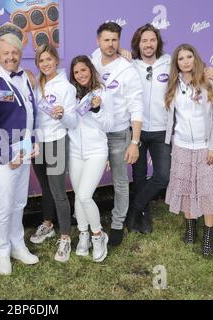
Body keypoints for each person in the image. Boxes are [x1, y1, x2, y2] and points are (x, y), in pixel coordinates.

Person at [164, 44, 213, 256]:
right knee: (185, 187)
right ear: (176, 63)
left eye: (189, 57)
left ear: (196, 59)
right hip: (182, 146)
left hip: (205, 147)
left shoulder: (210, 81)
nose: (185, 61)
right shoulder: (173, 85)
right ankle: (190, 227)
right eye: (181, 58)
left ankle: (208, 234)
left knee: (207, 191)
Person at [0, 33, 39, 275]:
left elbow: (30, 113)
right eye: (6, 53)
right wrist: (7, 155)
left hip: (23, 152)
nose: (11, 57)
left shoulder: (25, 78)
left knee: (19, 203)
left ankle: (18, 245)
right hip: (2, 156)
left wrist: (32, 142)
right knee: (4, 206)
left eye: (15, 52)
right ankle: (2, 252)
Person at [91, 22, 144, 246]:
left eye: (114, 40)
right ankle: (87, 222)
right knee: (88, 181)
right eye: (106, 40)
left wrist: (134, 141)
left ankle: (117, 223)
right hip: (94, 133)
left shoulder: (128, 69)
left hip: (119, 134)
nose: (110, 44)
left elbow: (137, 107)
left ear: (119, 41)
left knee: (120, 183)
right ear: (98, 41)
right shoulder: (92, 60)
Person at [29, 44, 76, 263]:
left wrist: (62, 115)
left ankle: (65, 237)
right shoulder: (37, 85)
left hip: (57, 141)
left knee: (58, 191)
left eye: (48, 59)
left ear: (56, 60)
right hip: (38, 142)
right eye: (41, 60)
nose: (45, 64)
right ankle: (48, 225)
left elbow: (72, 122)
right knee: (45, 187)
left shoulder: (66, 87)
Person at [125, 24, 172, 234]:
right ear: (138, 43)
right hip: (138, 130)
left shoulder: (169, 62)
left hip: (162, 130)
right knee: (140, 175)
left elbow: (193, 70)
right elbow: (100, 56)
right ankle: (143, 215)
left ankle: (134, 210)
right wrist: (119, 51)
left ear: (157, 42)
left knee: (163, 175)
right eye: (144, 40)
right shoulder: (129, 64)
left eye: (152, 40)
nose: (148, 44)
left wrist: (208, 70)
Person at [68, 55, 114, 262]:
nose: (80, 75)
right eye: (76, 72)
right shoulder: (71, 94)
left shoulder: (102, 93)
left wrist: (97, 109)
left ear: (91, 70)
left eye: (83, 70)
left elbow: (109, 125)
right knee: (78, 196)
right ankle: (83, 234)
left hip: (96, 151)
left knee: (85, 196)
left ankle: (98, 235)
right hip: (75, 151)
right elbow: (69, 122)